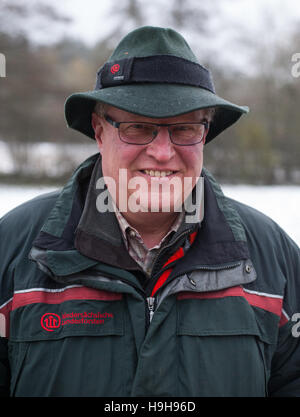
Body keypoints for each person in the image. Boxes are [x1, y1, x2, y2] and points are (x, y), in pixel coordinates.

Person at [0, 26, 299, 398]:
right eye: (137, 127)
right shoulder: (14, 251)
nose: (161, 152)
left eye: (185, 128)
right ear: (98, 130)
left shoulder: (273, 258)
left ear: (204, 135)